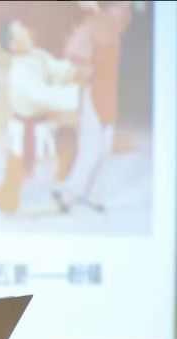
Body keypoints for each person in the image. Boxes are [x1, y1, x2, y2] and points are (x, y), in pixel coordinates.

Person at [0, 15, 80, 214]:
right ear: (13, 45)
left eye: (24, 28)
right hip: (23, 134)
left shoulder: (38, 55)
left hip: (42, 128)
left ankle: (37, 192)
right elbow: (43, 97)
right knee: (9, 202)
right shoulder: (19, 73)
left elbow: (57, 70)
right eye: (21, 31)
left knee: (45, 166)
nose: (27, 32)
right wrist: (75, 92)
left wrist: (76, 68)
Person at [52, 1, 132, 212]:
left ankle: (94, 195)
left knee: (104, 148)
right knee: (91, 147)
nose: (126, 13)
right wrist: (87, 73)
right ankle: (68, 195)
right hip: (95, 90)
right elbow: (72, 52)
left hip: (109, 92)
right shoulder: (93, 24)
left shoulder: (113, 25)